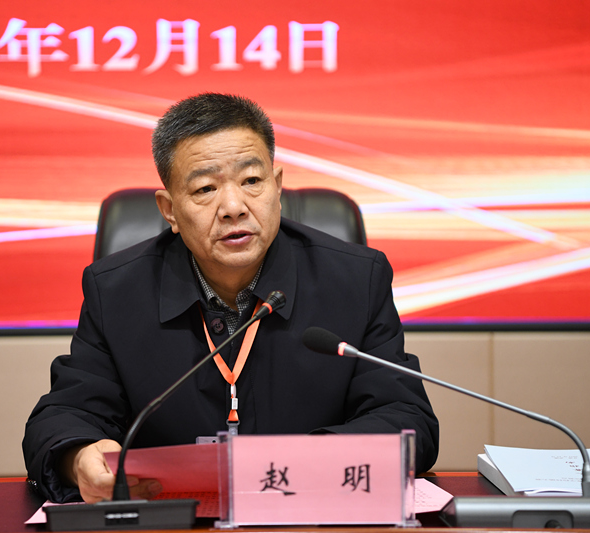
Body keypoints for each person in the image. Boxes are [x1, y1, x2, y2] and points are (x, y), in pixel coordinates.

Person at [23, 93, 439, 504]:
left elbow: (406, 419)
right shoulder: (117, 291)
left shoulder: (355, 280)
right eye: (205, 188)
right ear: (169, 210)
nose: (234, 207)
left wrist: (301, 463)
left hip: (315, 517)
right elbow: (65, 415)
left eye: (252, 181)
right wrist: (79, 457)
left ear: (277, 187)